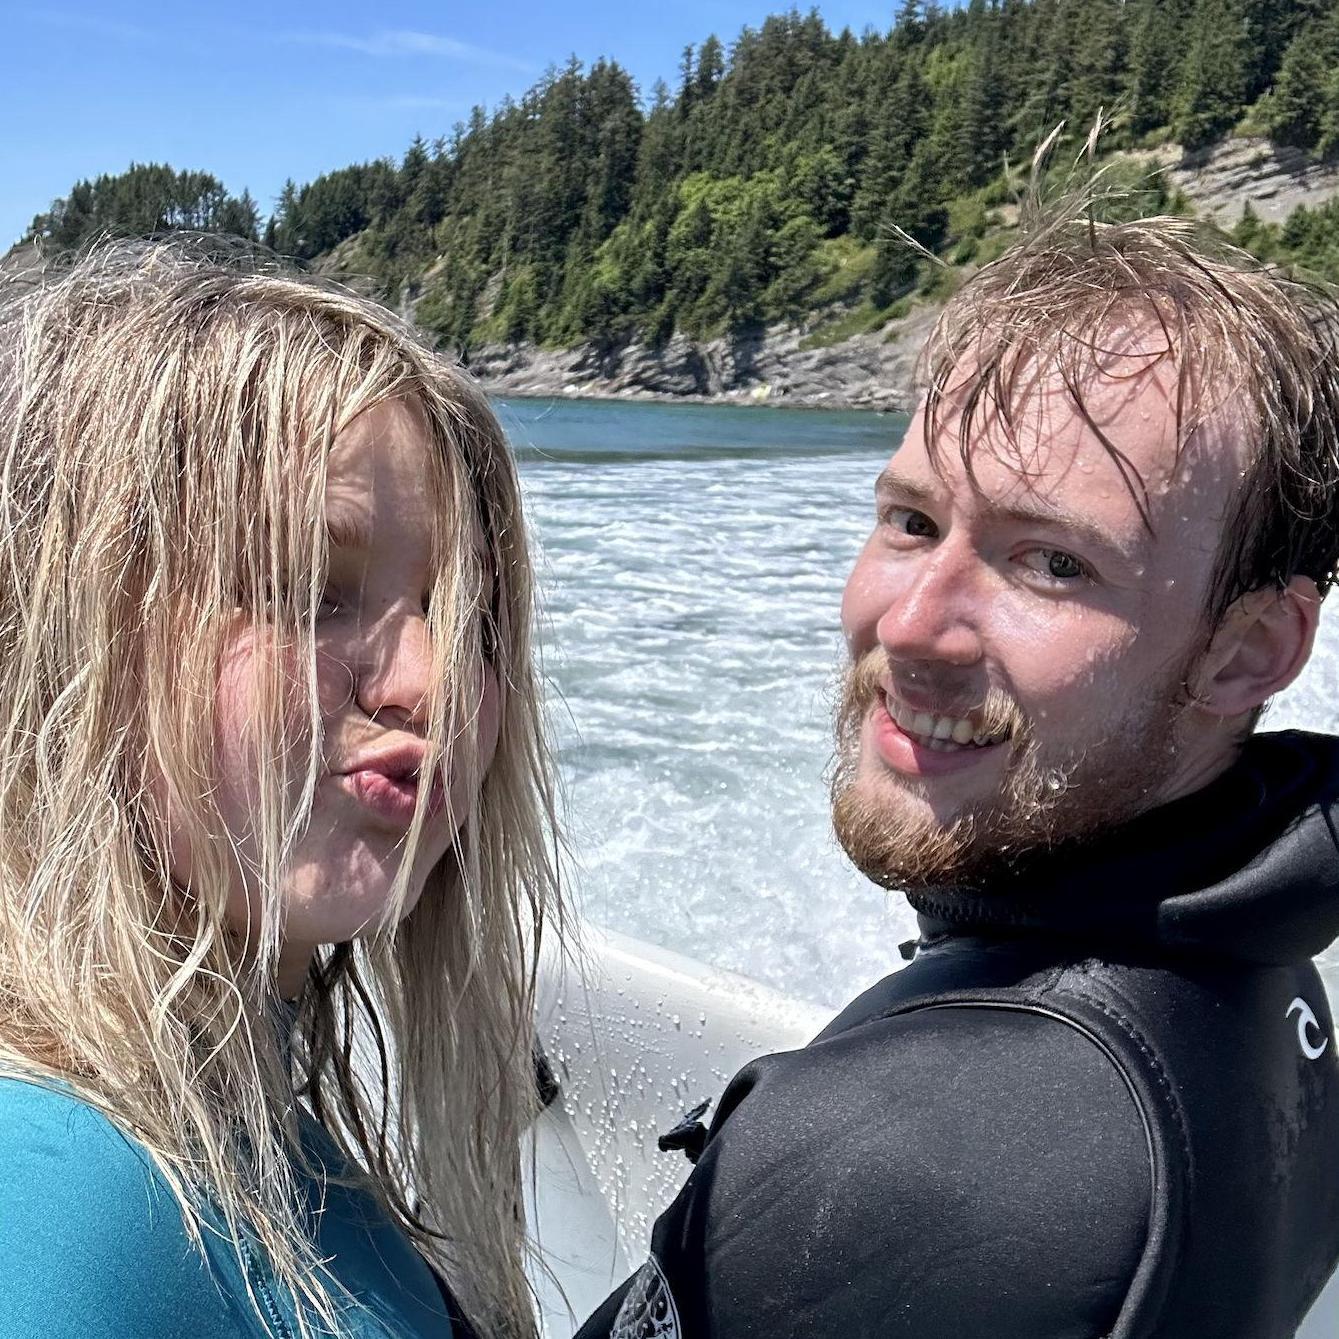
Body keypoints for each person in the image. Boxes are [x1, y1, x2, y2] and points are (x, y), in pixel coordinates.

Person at [578, 204, 1339, 1336]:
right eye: (909, 519)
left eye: (1051, 561)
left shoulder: (915, 1162)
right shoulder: (1262, 970)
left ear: (1249, 651)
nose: (912, 624)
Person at [0, 241, 558, 1338]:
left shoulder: (237, 1109)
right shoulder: (59, 1195)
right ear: (58, 639)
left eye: (474, 619)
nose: (435, 685)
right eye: (311, 591)